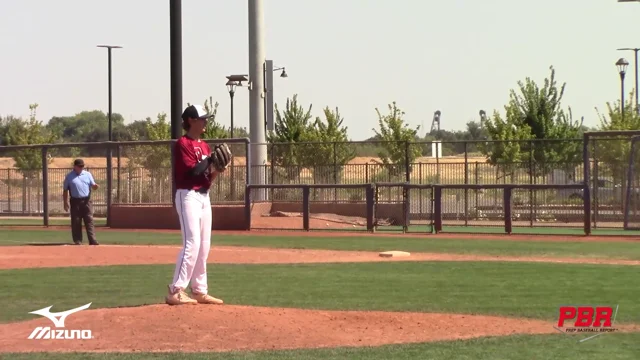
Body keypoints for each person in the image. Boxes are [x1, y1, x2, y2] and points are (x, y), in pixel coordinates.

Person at [165, 104, 232, 306]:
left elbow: (205, 176)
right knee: (191, 243)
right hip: (188, 196)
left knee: (204, 245)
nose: (206, 121)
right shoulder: (182, 144)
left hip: (204, 196)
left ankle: (199, 290)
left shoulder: (204, 146)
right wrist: (211, 159)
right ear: (191, 121)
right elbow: (193, 172)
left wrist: (218, 170)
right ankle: (175, 290)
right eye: (202, 118)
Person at [63, 159, 99, 245]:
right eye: (79, 166)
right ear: (75, 166)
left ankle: (92, 240)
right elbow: (65, 190)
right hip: (75, 201)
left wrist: (95, 186)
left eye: (82, 166)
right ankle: (77, 240)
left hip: (87, 201)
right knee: (76, 221)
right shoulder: (69, 176)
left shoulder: (87, 174)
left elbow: (93, 186)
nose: (81, 168)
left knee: (89, 220)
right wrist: (65, 202)